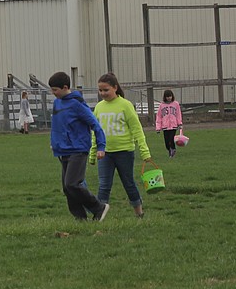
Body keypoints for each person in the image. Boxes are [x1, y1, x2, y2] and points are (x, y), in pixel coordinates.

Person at [48, 71, 108, 222]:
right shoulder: (57, 103)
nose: (53, 93)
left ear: (65, 87)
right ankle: (80, 218)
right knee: (67, 188)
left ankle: (98, 207)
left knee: (72, 184)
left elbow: (95, 125)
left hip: (78, 149)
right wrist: (55, 142)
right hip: (63, 150)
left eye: (55, 90)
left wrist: (101, 146)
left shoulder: (77, 104)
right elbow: (58, 125)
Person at [90, 72, 151, 218]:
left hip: (125, 152)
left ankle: (139, 213)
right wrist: (93, 152)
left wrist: (145, 151)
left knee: (128, 183)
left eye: (106, 90)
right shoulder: (98, 107)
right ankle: (99, 215)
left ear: (115, 88)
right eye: (100, 90)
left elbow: (137, 129)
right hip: (105, 153)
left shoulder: (125, 105)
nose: (103, 93)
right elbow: (95, 132)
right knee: (104, 185)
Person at [154, 89, 183, 158]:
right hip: (165, 126)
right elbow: (159, 116)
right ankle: (170, 150)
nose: (169, 98)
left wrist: (180, 123)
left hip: (173, 126)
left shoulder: (176, 104)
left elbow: (178, 114)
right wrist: (158, 127)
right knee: (167, 142)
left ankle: (173, 149)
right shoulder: (162, 105)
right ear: (165, 97)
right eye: (167, 97)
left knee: (171, 139)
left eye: (170, 96)